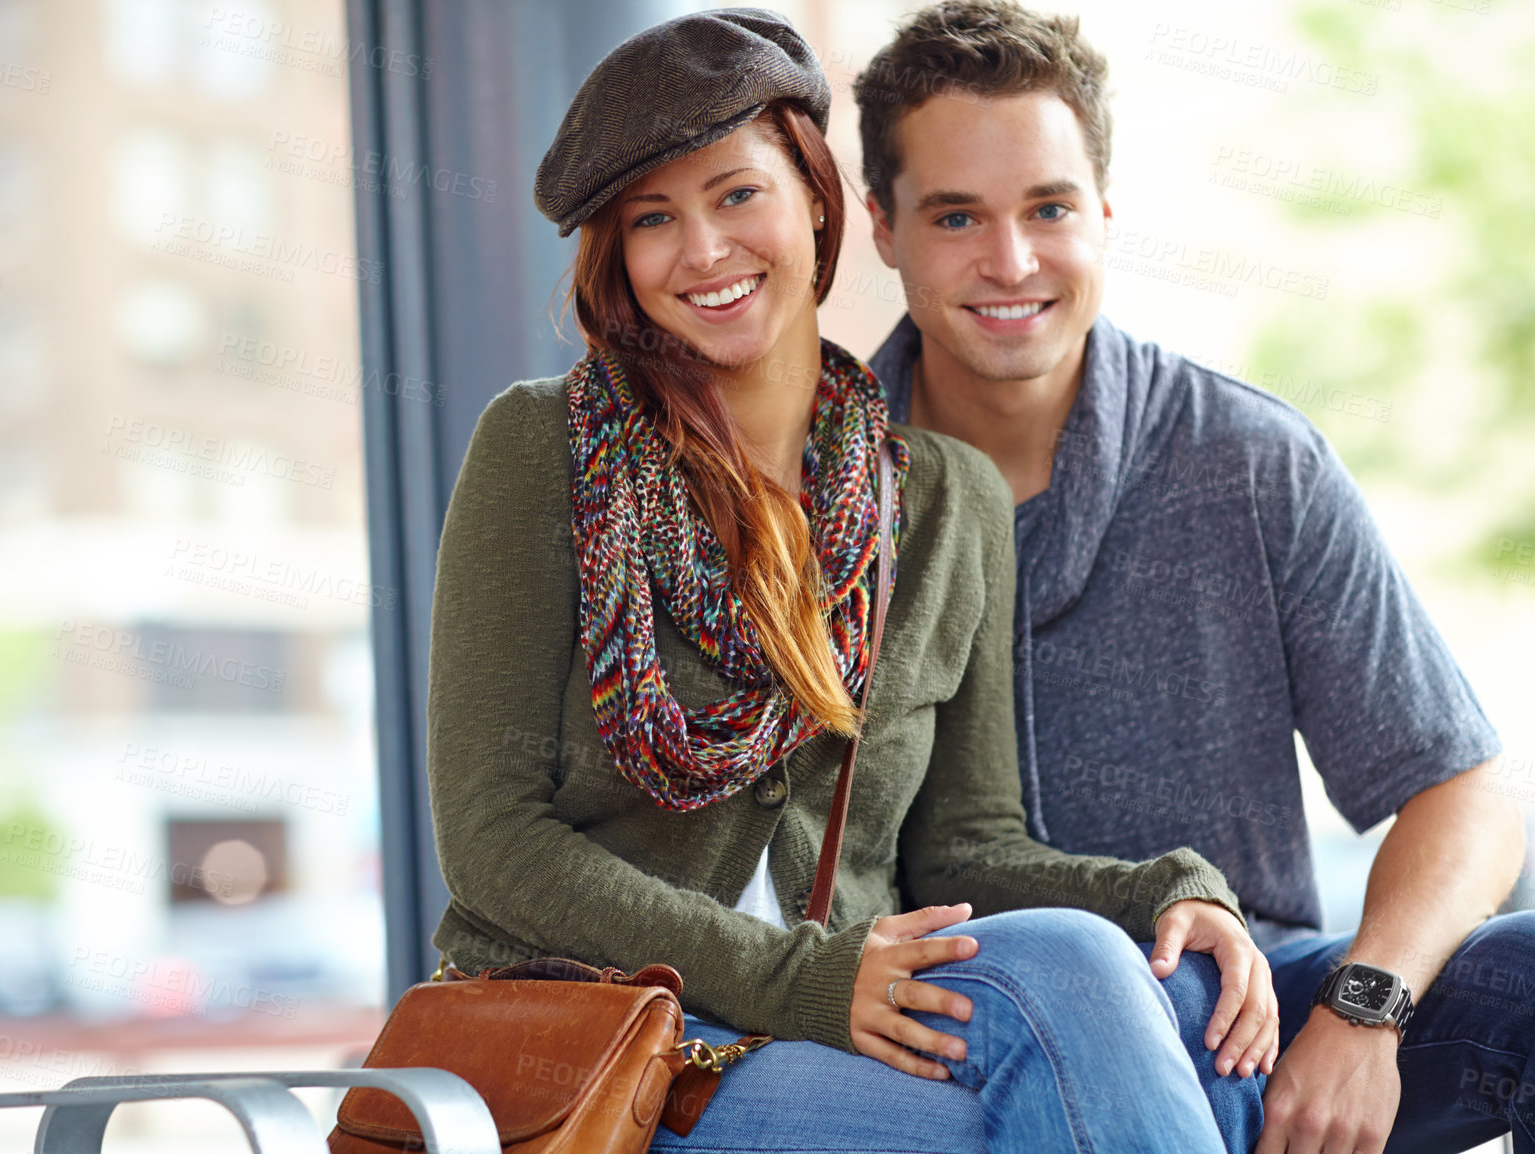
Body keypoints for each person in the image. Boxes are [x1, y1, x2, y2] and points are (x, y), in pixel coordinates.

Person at [426, 10, 1274, 1153]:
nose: (705, 249)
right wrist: (796, 975)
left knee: (1110, 978)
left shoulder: (945, 499)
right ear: (616, 256)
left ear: (816, 199)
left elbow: (966, 849)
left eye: (737, 194)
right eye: (652, 220)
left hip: (833, 1014)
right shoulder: (542, 447)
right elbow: (493, 838)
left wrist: (1171, 891)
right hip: (603, 1041)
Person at [853, 3, 1533, 1151]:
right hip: (955, 1043)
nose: (1010, 261)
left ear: (1105, 213)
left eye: (1049, 208)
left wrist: (1361, 1013)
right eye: (957, 215)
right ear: (882, 227)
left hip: (1250, 1020)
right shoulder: (816, 503)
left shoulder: (1247, 462)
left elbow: (1462, 791)